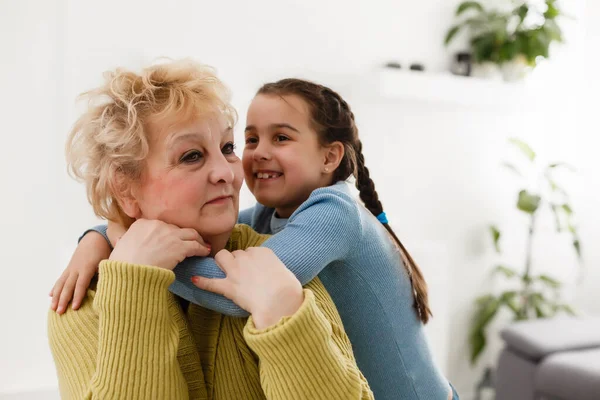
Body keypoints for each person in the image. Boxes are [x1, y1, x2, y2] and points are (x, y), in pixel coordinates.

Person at [52, 78, 458, 399]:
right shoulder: (268, 224)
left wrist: (140, 262)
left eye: (226, 147)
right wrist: (105, 239)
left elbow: (233, 290)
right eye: (193, 155)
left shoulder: (318, 227)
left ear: (330, 157)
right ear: (126, 190)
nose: (230, 172)